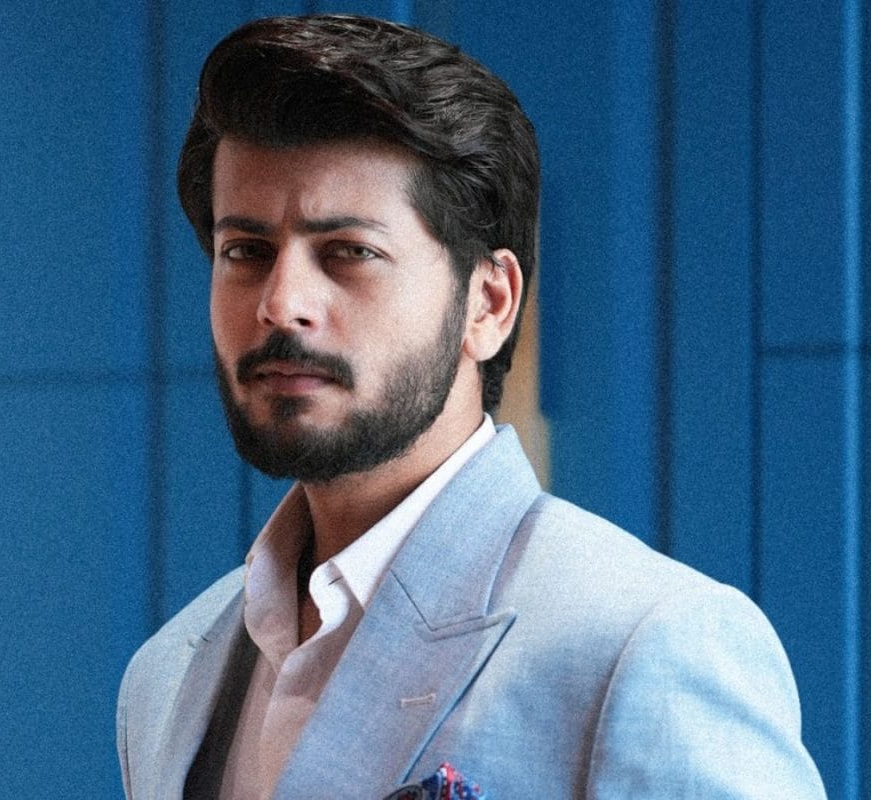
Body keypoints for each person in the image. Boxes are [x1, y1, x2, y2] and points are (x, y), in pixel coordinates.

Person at [116, 13, 825, 799]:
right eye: (245, 252)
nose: (282, 305)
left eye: (350, 253)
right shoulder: (167, 676)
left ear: (489, 303)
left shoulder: (647, 645)